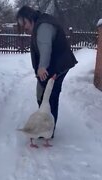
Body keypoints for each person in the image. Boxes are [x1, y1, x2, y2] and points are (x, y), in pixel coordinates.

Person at [16, 6, 77, 138]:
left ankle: (48, 131)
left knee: (51, 96)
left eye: (24, 23)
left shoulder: (43, 26)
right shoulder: (40, 24)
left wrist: (42, 66)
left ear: (30, 17)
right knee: (43, 93)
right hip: (55, 64)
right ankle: (42, 124)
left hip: (58, 65)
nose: (24, 28)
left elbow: (45, 47)